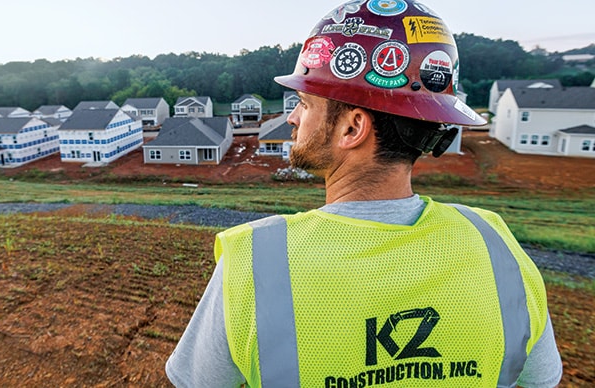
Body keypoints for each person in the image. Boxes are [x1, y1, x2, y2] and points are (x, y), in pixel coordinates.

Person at [166, 0, 562, 386]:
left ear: (352, 128)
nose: (292, 117)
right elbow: (540, 379)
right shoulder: (496, 245)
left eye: (305, 102)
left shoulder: (256, 263)